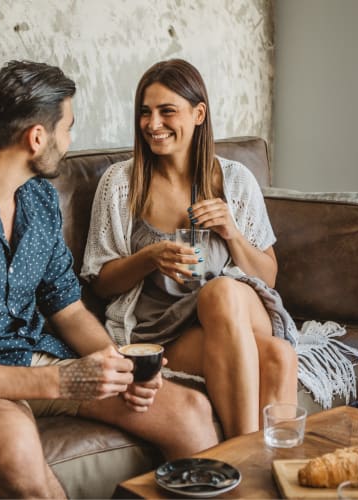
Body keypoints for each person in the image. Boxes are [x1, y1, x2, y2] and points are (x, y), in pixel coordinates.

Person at [0, 60, 218, 499]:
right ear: (37, 138)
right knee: (15, 443)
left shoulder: (39, 200)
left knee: (188, 410)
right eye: (68, 128)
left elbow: (69, 307)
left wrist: (122, 365)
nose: (69, 141)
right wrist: (59, 381)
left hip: (31, 357)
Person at [81, 59, 299, 439]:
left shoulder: (234, 180)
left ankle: (239, 460)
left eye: (167, 112)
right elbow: (100, 283)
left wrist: (231, 232)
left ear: (199, 114)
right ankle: (261, 472)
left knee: (221, 291)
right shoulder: (120, 184)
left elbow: (268, 277)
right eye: (145, 113)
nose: (153, 124)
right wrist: (149, 258)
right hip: (164, 330)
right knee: (279, 356)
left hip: (237, 310)